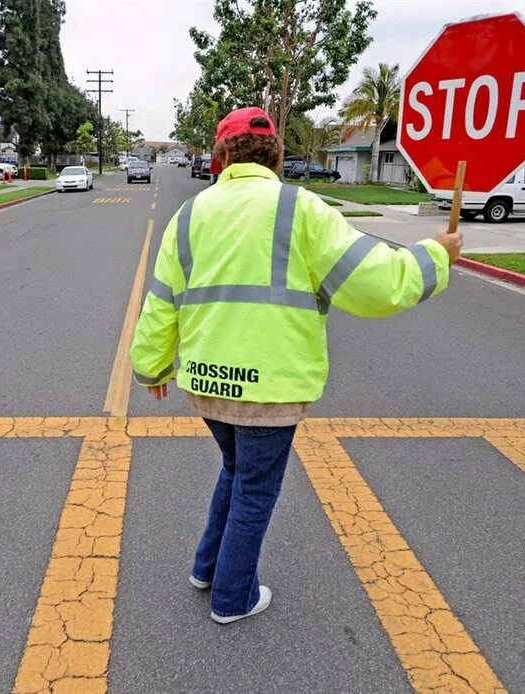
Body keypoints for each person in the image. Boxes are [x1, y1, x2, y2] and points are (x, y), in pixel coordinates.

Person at [130, 107, 463, 624]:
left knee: (235, 469)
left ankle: (206, 568)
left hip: (206, 382)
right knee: (255, 488)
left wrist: (152, 368)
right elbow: (375, 282)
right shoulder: (300, 208)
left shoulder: (190, 215)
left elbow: (162, 301)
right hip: (271, 387)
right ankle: (231, 597)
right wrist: (436, 257)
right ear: (277, 157)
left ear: (220, 157)